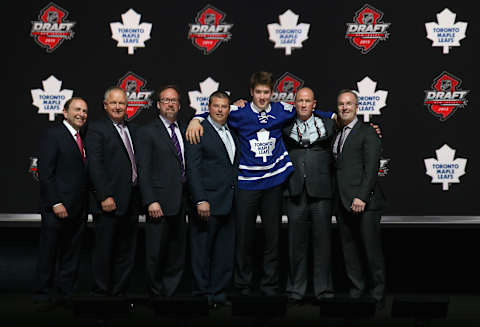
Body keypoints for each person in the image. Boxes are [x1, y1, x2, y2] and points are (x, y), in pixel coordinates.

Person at [186, 72, 333, 296]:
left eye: (266, 92)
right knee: (243, 239)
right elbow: (215, 111)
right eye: (258, 92)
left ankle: (269, 285)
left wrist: (336, 116)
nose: (262, 97)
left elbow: (307, 110)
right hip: (246, 185)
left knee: (272, 239)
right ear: (251, 92)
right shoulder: (239, 111)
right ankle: (243, 285)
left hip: (272, 183)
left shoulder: (280, 110)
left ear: (271, 93)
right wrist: (196, 119)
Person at [333, 89, 387, 310]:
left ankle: (377, 294)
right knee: (349, 249)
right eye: (341, 104)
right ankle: (357, 290)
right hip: (343, 202)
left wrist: (361, 196)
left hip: (365, 203)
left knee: (371, 250)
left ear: (357, 107)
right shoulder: (337, 134)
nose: (345, 107)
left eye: (349, 104)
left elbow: (372, 168)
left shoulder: (368, 132)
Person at [186, 91, 240, 307]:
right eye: (216, 106)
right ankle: (202, 294)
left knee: (224, 253)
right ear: (208, 107)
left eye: (224, 106)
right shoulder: (198, 130)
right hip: (207, 202)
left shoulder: (233, 130)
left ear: (229, 109)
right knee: (201, 252)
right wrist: (200, 199)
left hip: (230, 202)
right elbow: (193, 168)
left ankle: (218, 293)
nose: (220, 110)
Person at [34, 97, 88, 311]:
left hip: (78, 208)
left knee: (71, 254)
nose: (81, 114)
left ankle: (65, 294)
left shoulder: (82, 137)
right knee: (49, 252)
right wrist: (56, 202)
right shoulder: (53, 135)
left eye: (84, 111)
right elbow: (46, 173)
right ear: (65, 112)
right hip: (57, 208)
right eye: (77, 109)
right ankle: (42, 295)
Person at [282, 87, 335, 304]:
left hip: (321, 190)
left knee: (323, 242)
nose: (303, 104)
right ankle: (296, 289)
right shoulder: (284, 126)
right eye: (300, 101)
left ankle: (323, 289)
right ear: (295, 104)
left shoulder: (331, 124)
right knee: (296, 243)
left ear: (314, 104)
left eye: (307, 101)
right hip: (295, 190)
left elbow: (353, 128)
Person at [86, 87, 140, 297]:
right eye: (114, 103)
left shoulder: (133, 130)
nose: (118, 107)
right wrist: (104, 196)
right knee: (104, 251)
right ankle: (101, 295)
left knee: (126, 252)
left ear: (128, 107)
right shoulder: (97, 129)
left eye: (122, 103)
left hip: (132, 201)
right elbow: (95, 165)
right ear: (105, 105)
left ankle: (119, 294)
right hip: (109, 202)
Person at [136, 85, 188, 298]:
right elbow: (143, 169)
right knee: (156, 253)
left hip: (182, 201)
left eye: (174, 100)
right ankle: (156, 295)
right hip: (159, 202)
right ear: (158, 104)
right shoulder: (147, 131)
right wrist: (150, 201)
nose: (170, 103)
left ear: (179, 105)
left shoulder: (186, 129)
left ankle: (171, 293)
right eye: (165, 100)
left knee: (177, 253)